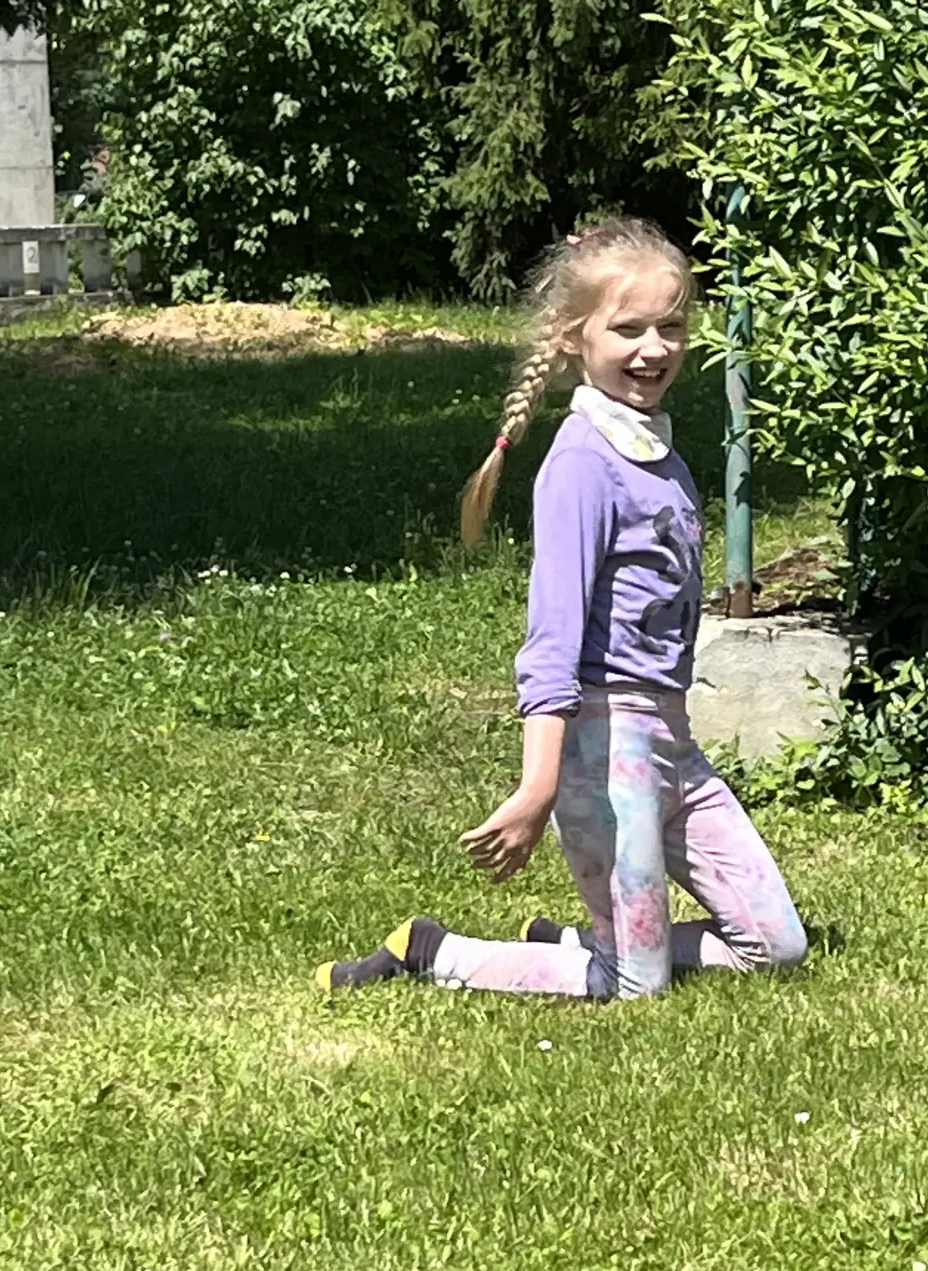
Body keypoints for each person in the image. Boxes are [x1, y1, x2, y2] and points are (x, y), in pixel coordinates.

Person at [316, 217, 807, 1001]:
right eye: (629, 329)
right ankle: (433, 949)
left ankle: (580, 940)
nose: (654, 348)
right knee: (637, 984)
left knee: (777, 944)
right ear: (576, 338)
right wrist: (539, 785)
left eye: (671, 327)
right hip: (603, 753)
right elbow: (552, 640)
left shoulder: (662, 455)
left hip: (671, 745)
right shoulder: (581, 463)